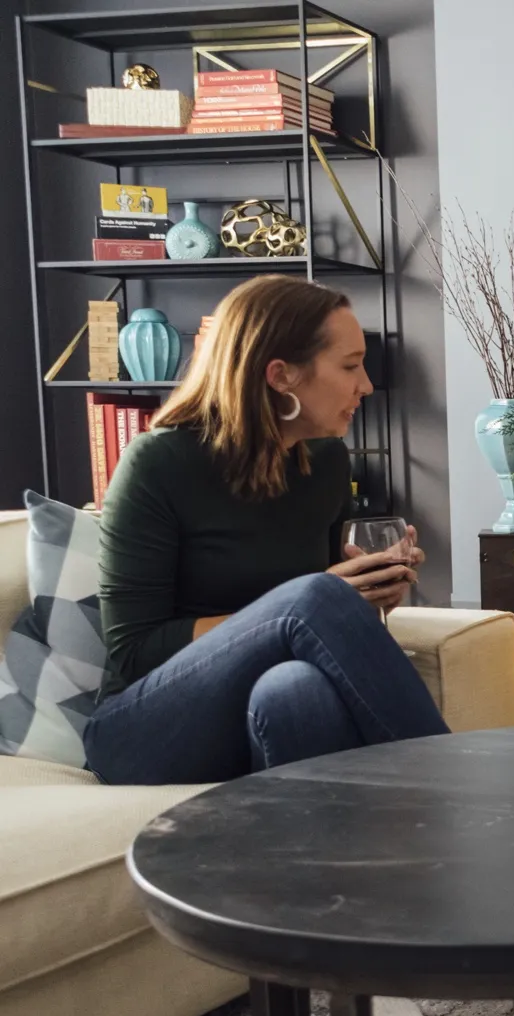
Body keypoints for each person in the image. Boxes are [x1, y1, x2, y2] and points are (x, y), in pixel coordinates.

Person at [87, 275, 446, 787]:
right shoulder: (158, 463)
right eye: (349, 366)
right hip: (144, 728)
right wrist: (307, 604)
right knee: (313, 598)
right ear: (281, 376)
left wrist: (367, 590)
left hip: (255, 707)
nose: (365, 384)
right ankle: (454, 790)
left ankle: (324, 865)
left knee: (296, 690)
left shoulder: (323, 462)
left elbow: (317, 607)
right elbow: (134, 650)